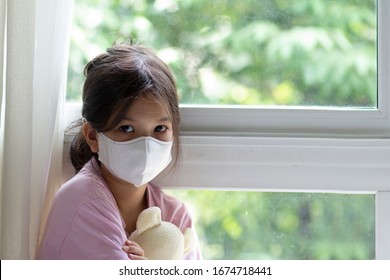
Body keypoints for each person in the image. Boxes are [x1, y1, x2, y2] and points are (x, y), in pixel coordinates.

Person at [37, 42, 202, 260]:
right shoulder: (81, 203)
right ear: (93, 137)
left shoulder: (175, 218)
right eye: (126, 128)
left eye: (159, 128)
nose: (146, 144)